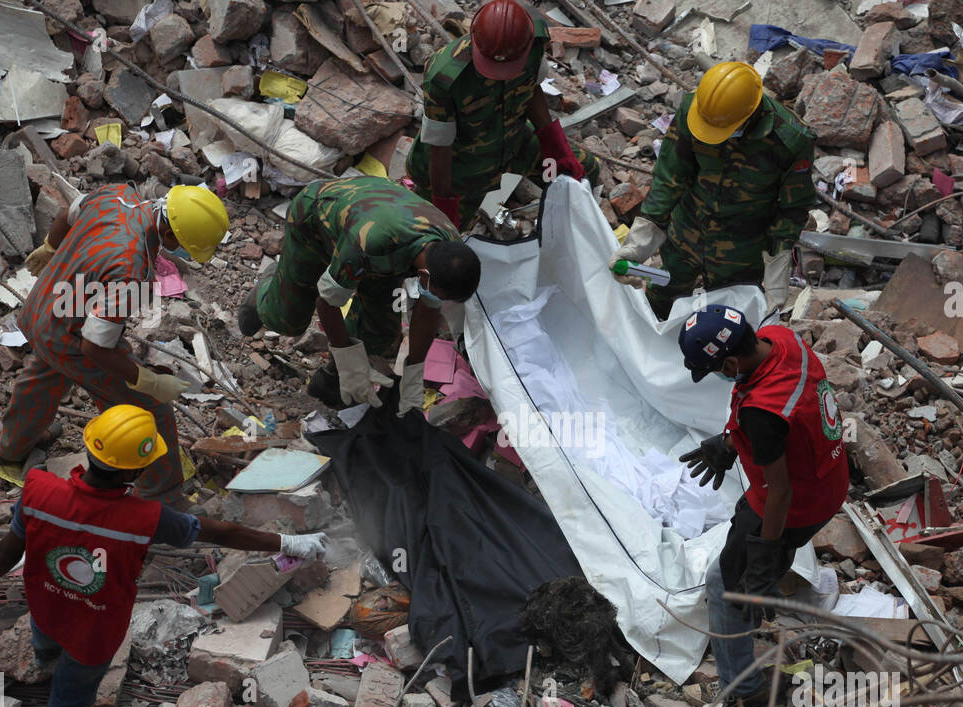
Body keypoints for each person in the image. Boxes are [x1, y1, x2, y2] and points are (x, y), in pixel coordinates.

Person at [0, 405, 329, 707]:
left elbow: (7, 550)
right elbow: (220, 532)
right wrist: (287, 541)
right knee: (68, 705)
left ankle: (46, 656)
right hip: (94, 634)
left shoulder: (38, 489)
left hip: (47, 606)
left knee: (48, 637)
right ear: (136, 469)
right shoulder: (145, 518)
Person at [0, 184, 229, 506]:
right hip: (69, 336)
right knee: (149, 408)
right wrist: (149, 381)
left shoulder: (116, 196)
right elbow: (94, 347)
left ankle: (10, 452)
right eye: (185, 246)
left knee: (43, 377)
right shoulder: (131, 271)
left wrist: (50, 247)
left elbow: (67, 213)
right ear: (171, 235)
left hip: (41, 309)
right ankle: (160, 497)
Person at [677, 305, 849, 707]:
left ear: (732, 362)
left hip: (797, 501)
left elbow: (780, 492)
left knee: (726, 584)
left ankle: (745, 689)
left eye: (718, 369)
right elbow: (790, 419)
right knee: (748, 570)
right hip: (829, 478)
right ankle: (770, 577)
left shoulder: (760, 412)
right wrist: (730, 442)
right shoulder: (782, 339)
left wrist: (762, 556)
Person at [236, 176, 481, 416]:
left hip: (383, 232)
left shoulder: (449, 252)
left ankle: (331, 381)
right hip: (316, 221)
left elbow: (428, 310)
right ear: (425, 276)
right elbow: (327, 302)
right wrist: (349, 365)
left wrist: (414, 373)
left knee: (380, 332)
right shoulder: (369, 246)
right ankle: (267, 291)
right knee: (288, 321)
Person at [610, 61, 819, 322]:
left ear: (748, 115)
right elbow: (669, 177)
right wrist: (639, 243)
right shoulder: (694, 109)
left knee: (725, 326)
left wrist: (775, 276)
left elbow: (792, 210)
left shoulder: (791, 140)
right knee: (660, 300)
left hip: (741, 253)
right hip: (685, 235)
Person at [406, 0, 599, 231]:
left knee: (583, 170)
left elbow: (532, 89)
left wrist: (554, 147)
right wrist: (444, 203)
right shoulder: (445, 76)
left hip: (516, 143)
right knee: (445, 235)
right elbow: (440, 146)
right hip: (462, 167)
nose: (500, 76)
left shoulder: (533, 37)